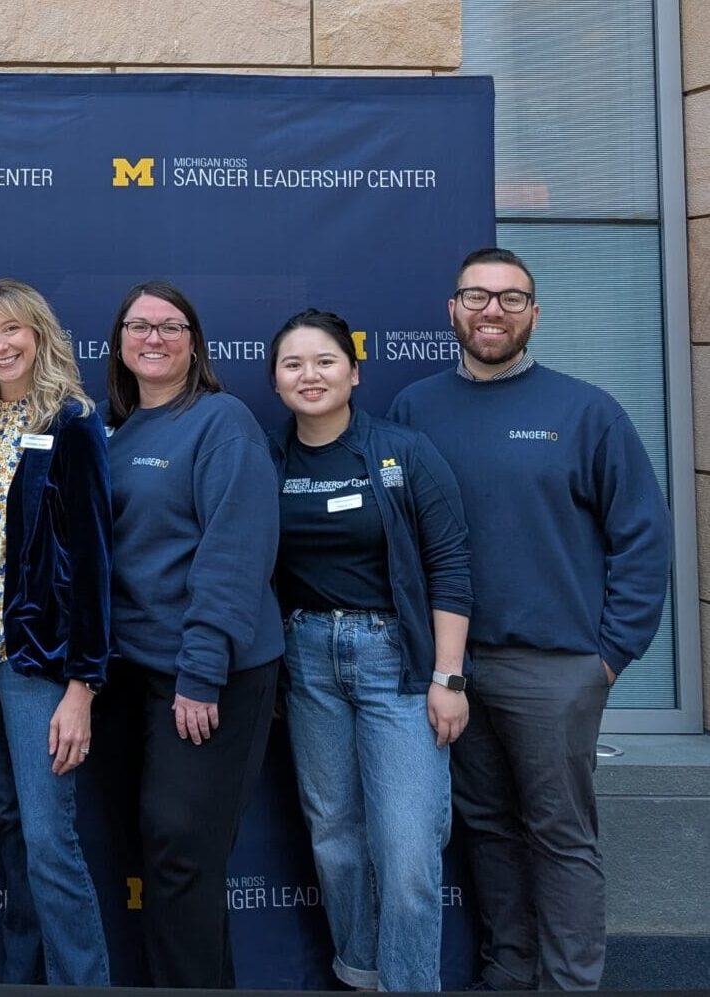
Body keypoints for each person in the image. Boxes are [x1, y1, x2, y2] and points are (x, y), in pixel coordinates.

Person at [388, 248, 671, 990]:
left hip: (556, 669)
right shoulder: (415, 408)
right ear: (451, 310)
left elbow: (642, 537)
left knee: (560, 836)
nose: (492, 310)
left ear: (534, 315)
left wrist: (607, 656)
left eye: (510, 299)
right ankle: (508, 973)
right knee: (485, 829)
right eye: (476, 296)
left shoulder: (585, 411)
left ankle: (569, 982)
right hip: (452, 669)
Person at [265, 308, 473, 992]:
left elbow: (448, 562)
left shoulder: (401, 452)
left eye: (323, 361)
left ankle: (411, 984)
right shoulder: (269, 459)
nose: (309, 375)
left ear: (353, 371)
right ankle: (360, 974)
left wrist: (448, 674)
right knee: (335, 839)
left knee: (408, 849)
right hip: (307, 661)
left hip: (398, 664)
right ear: (275, 380)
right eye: (292, 364)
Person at [0, 277, 112, 986]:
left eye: (12, 329)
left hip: (36, 662)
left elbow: (94, 561)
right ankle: (21, 976)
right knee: (12, 821)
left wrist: (82, 686)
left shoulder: (71, 423)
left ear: (39, 334)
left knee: (47, 837)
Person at [105, 280, 280, 990]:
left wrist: (200, 671)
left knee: (181, 852)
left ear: (194, 342)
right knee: (164, 858)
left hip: (208, 674)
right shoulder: (117, 433)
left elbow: (233, 554)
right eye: (139, 325)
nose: (154, 337)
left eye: (170, 326)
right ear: (118, 341)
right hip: (132, 672)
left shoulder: (220, 421)